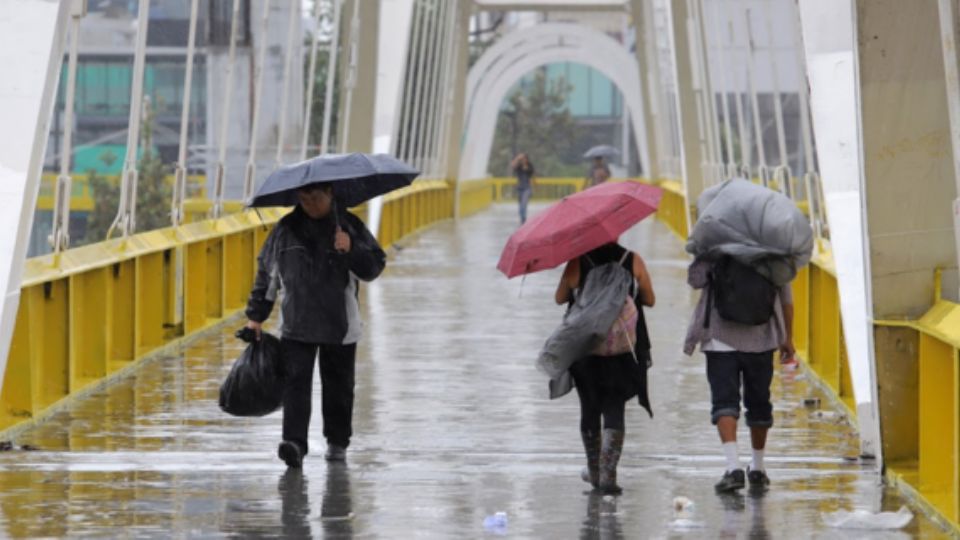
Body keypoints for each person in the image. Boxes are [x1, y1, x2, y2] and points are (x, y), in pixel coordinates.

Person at [245, 182, 386, 468]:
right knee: (295, 386)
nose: (310, 204)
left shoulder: (348, 225)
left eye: (316, 198)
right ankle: (294, 444)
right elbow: (267, 275)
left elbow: (373, 266)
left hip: (340, 323)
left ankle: (337, 442)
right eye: (304, 198)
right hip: (296, 323)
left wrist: (351, 249)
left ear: (331, 194)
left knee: (339, 387)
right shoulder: (285, 230)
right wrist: (255, 317)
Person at [683, 257, 795, 493]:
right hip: (761, 338)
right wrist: (787, 338)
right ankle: (757, 468)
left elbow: (695, 280)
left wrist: (703, 252)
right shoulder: (772, 244)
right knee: (759, 403)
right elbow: (786, 299)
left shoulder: (716, 241)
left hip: (719, 338)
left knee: (724, 402)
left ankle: (733, 468)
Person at [555, 242, 655, 495]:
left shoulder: (578, 261)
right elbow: (650, 299)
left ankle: (595, 471)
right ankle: (609, 473)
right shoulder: (632, 260)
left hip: (586, 348)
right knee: (615, 406)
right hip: (622, 349)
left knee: (589, 407)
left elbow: (559, 298)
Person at [510, 153, 536, 224]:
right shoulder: (519, 166)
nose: (523, 160)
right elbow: (513, 166)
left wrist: (534, 186)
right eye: (522, 159)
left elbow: (533, 175)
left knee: (523, 204)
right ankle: (522, 219)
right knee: (520, 206)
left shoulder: (530, 166)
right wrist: (517, 158)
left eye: (524, 159)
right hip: (520, 188)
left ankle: (524, 220)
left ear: (527, 159)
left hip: (527, 188)